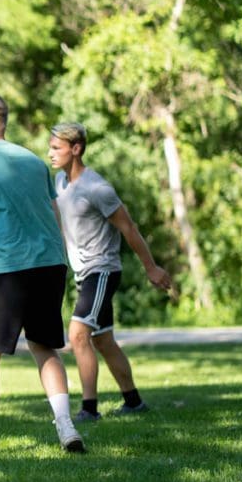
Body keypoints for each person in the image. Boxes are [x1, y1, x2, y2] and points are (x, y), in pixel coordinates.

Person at [0, 92, 85, 457]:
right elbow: (53, 216)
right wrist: (61, 261)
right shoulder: (35, 163)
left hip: (2, 269)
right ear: (3, 125)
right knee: (45, 347)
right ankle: (66, 425)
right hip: (48, 264)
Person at [47, 122, 172, 422]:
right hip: (83, 272)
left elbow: (129, 227)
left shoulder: (97, 188)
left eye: (56, 148)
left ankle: (89, 410)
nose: (50, 153)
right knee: (103, 340)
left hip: (102, 270)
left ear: (76, 149)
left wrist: (151, 267)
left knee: (78, 335)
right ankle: (133, 401)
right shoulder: (60, 183)